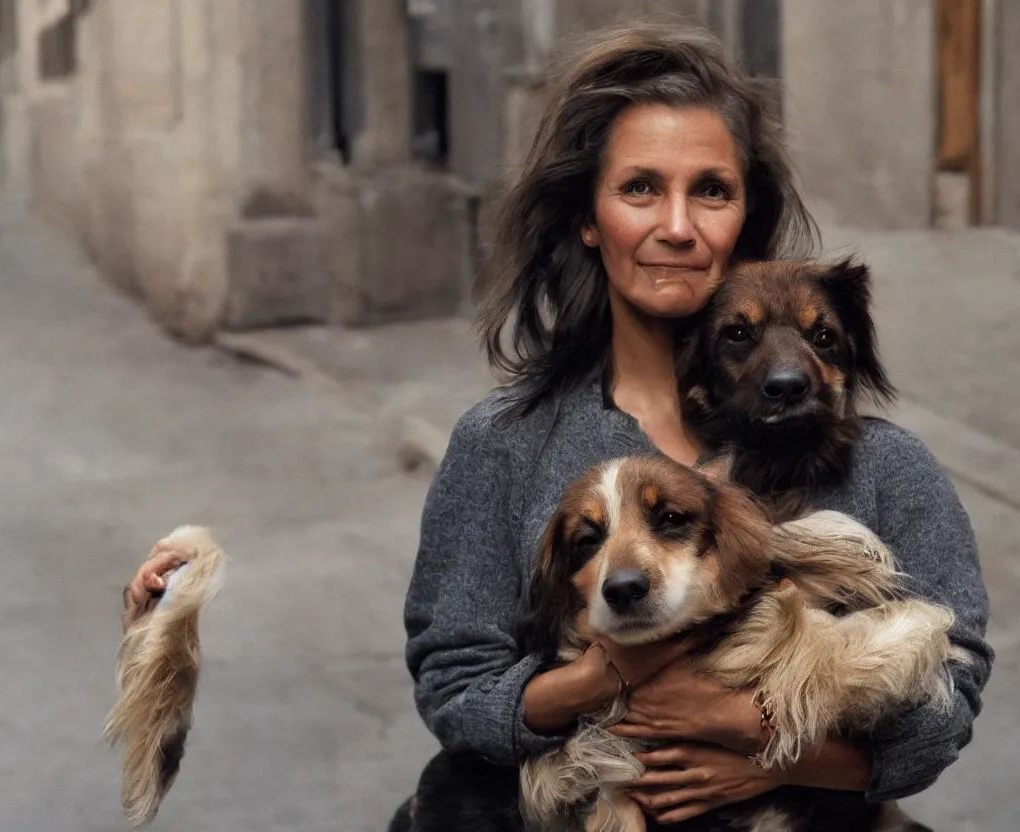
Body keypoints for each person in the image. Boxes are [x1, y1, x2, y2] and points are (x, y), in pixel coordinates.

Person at [122, 21, 993, 831]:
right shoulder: (506, 442)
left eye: (712, 192)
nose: (678, 226)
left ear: (745, 218)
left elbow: (945, 710)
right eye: (641, 188)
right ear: (589, 217)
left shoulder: (883, 468)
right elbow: (456, 686)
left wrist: (766, 748)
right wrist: (598, 680)